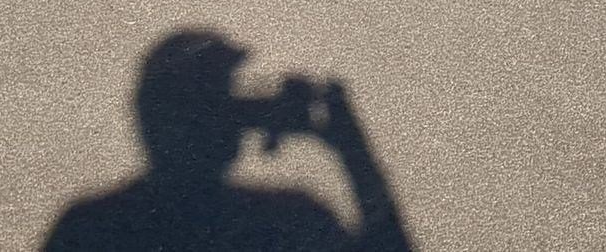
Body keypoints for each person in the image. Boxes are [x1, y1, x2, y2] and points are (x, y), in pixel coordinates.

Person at [44, 30, 409, 251]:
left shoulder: (95, 227)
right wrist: (350, 147)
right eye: (213, 98)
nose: (230, 108)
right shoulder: (286, 218)